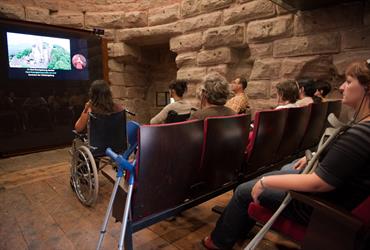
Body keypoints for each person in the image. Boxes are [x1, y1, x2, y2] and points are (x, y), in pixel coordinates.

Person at [203, 60, 370, 250]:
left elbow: (319, 183)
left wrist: (265, 182)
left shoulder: (362, 134)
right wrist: (312, 156)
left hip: (315, 205)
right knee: (279, 171)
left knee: (243, 190)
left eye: (348, 81)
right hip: (325, 194)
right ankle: (237, 227)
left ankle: (218, 242)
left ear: (367, 88)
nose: (341, 87)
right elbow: (343, 162)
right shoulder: (364, 127)